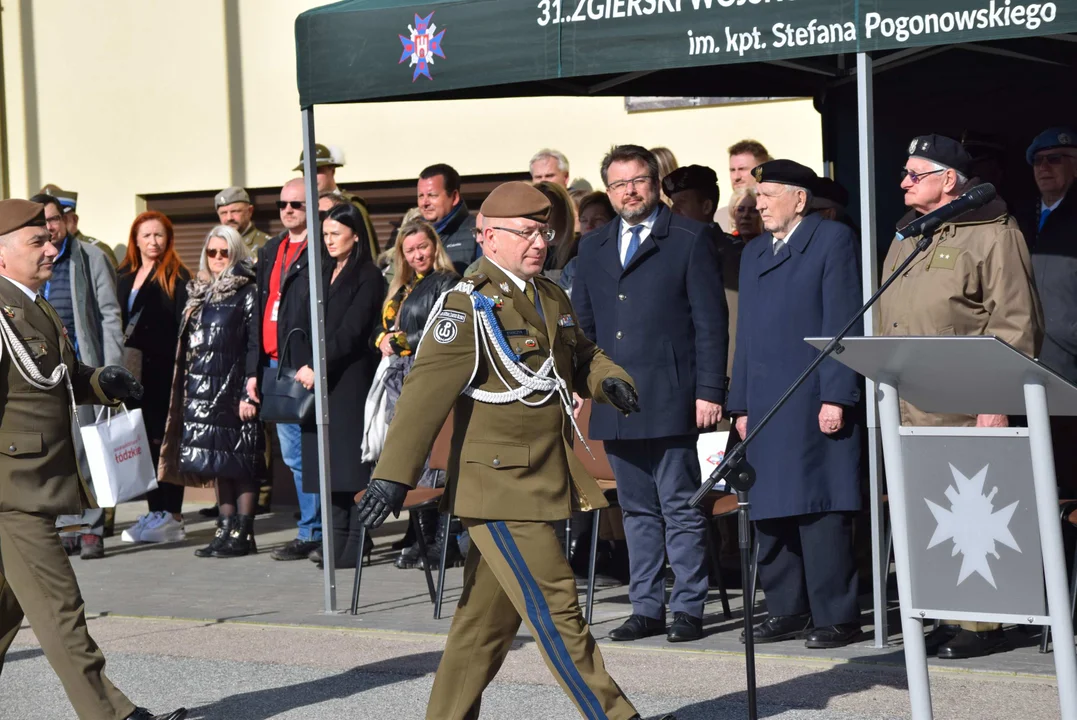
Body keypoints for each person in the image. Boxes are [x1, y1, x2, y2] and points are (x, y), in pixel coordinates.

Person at [357, 182, 661, 720]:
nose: (538, 243)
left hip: (541, 476)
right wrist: (393, 475)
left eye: (543, 231)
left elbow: (579, 352)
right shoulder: (466, 304)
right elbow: (424, 395)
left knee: (483, 627)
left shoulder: (547, 294)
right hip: (496, 487)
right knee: (558, 610)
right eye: (524, 233)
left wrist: (605, 378)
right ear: (487, 237)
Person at [0, 198, 186, 720]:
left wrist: (101, 381)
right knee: (62, 613)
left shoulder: (30, 303)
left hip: (33, 482)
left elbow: (56, 375)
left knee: (6, 611)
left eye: (50, 239)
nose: (51, 249)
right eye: (36, 242)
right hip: (14, 492)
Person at [880, 134, 1043, 659]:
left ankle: (980, 625)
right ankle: (947, 612)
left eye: (914, 174)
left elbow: (1015, 323)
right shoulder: (909, 234)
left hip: (967, 404)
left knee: (971, 514)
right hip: (910, 402)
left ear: (948, 179)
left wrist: (995, 400)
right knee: (927, 513)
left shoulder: (994, 234)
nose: (903, 182)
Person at [574, 145, 729, 644]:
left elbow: (711, 323)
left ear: (655, 182)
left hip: (673, 395)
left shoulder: (689, 237)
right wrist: (584, 385)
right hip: (616, 400)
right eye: (619, 185)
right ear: (609, 190)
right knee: (636, 511)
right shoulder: (593, 247)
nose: (630, 192)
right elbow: (584, 328)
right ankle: (646, 607)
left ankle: (687, 607)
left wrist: (710, 391)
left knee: (681, 506)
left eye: (638, 180)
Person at [727, 159, 865, 650]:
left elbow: (842, 324)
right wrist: (738, 403)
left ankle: (837, 615)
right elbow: (745, 336)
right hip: (764, 401)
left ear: (800, 200)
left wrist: (837, 394)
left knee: (820, 509)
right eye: (756, 195)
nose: (757, 204)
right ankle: (787, 609)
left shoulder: (830, 241)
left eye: (768, 195)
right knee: (770, 508)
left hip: (812, 397)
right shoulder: (754, 252)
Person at [282, 203, 384, 570]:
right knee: (330, 470)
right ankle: (334, 541)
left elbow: (352, 332)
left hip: (348, 381)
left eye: (335, 234)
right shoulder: (322, 272)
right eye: (324, 234)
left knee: (350, 469)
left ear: (355, 235)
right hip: (318, 382)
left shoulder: (369, 276)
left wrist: (317, 366)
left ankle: (357, 543)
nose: (328, 241)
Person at [158, 225, 264, 558]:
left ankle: (244, 533)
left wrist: (250, 389)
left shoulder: (247, 291)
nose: (217, 259)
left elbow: (254, 344)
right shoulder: (200, 291)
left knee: (241, 461)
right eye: (211, 252)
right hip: (203, 389)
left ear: (236, 254)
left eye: (224, 253)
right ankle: (225, 527)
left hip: (233, 388)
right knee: (219, 464)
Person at [29, 192, 123, 559]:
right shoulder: (29, 261)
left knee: (90, 452)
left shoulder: (90, 257)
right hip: (43, 376)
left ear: (66, 220)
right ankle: (69, 527)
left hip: (82, 372)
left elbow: (110, 315)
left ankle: (93, 529)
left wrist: (109, 370)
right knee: (59, 455)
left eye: (52, 219)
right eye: (41, 222)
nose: (49, 228)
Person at [372, 220, 459, 570]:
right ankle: (420, 539)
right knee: (410, 457)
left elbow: (445, 327)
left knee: (435, 460)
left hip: (430, 375)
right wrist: (380, 338)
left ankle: (443, 542)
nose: (417, 254)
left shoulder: (449, 281)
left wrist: (401, 341)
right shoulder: (402, 285)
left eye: (422, 247)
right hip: (399, 377)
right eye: (409, 250)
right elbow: (382, 327)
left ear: (434, 246)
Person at [247, 178, 322, 561]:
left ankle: (318, 530)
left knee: (315, 452)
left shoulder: (322, 247)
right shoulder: (273, 248)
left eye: (296, 204)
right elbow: (259, 311)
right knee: (293, 456)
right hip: (275, 366)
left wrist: (316, 361)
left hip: (306, 365)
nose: (288, 210)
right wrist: (252, 370)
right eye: (282, 204)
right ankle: (312, 528)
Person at [117, 212, 192, 545]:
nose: (153, 241)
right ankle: (153, 510)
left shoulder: (177, 275)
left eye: (159, 235)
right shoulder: (123, 275)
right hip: (131, 373)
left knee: (164, 442)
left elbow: (184, 329)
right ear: (135, 239)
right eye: (146, 235)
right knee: (140, 443)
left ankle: (171, 514)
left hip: (163, 371)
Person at [1022, 128, 1077, 486]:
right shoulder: (1019, 218)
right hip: (1028, 361)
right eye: (1038, 161)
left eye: (1055, 159)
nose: (1044, 167)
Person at [293, 142, 380, 260]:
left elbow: (369, 250)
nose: (311, 177)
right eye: (305, 172)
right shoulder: (300, 208)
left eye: (317, 170)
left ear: (332, 171)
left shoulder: (351, 205)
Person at [417, 163, 479, 274]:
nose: (424, 203)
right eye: (421, 196)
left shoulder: (476, 233)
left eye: (432, 195)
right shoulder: (413, 235)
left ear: (454, 197)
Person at [41, 183, 119, 266]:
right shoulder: (37, 250)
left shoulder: (96, 250)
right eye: (43, 221)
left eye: (56, 219)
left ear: (74, 220)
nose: (49, 227)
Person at [559, 192, 615, 299]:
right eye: (584, 220)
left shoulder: (623, 262)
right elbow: (562, 308)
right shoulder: (573, 267)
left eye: (598, 219)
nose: (589, 225)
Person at [722, 139, 771, 232]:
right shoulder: (721, 217)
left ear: (760, 171)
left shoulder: (776, 213)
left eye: (742, 169)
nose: (736, 177)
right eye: (732, 170)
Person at [215, 186, 270, 254]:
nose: (229, 218)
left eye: (235, 211)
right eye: (224, 213)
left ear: (250, 211)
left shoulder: (267, 245)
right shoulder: (214, 245)